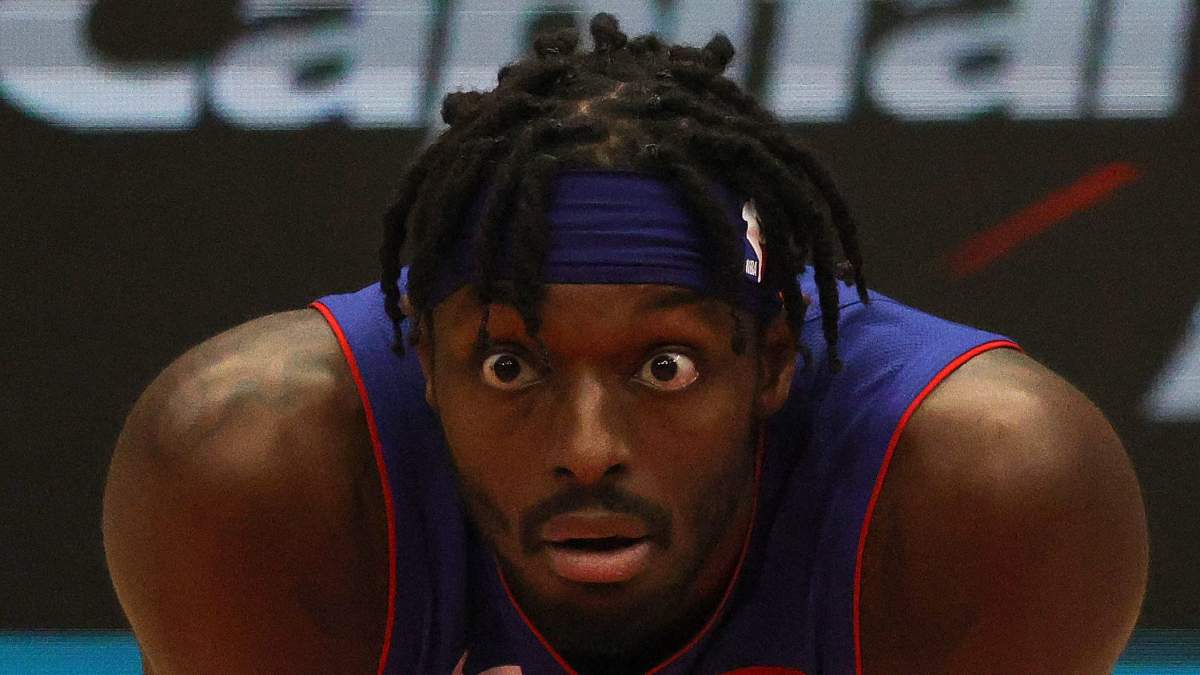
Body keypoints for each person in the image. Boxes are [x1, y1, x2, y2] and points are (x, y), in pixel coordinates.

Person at [102, 14, 1148, 675]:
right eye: (510, 366)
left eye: (665, 367)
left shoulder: (988, 485)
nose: (589, 448)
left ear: (775, 358)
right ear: (420, 359)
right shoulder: (254, 466)